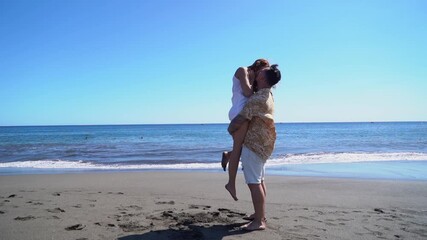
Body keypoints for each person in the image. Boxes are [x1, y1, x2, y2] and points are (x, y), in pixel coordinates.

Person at [227, 64, 281, 231]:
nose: (257, 74)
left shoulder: (257, 99)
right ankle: (260, 215)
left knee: (254, 183)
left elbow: (240, 119)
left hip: (254, 144)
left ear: (263, 78)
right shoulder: (268, 95)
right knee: (260, 180)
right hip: (264, 144)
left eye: (261, 73)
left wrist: (230, 129)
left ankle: (259, 222)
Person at [223, 59, 270, 201]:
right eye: (262, 72)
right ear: (257, 66)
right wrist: (256, 82)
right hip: (240, 111)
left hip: (245, 112)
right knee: (238, 148)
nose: (262, 76)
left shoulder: (252, 76)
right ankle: (231, 183)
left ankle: (228, 155)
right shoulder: (242, 70)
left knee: (245, 146)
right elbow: (248, 92)